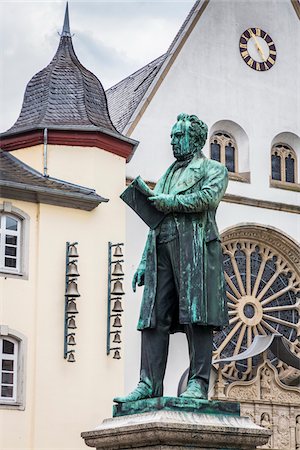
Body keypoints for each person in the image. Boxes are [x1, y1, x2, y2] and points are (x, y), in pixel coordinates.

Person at [114, 113, 229, 402]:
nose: (174, 141)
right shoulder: (168, 173)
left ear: (197, 139)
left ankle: (198, 383)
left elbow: (207, 199)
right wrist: (143, 261)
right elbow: (156, 220)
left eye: (179, 136)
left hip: (195, 248)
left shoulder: (213, 169)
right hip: (161, 249)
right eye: (173, 136)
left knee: (197, 317)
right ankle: (149, 383)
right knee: (153, 317)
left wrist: (170, 202)